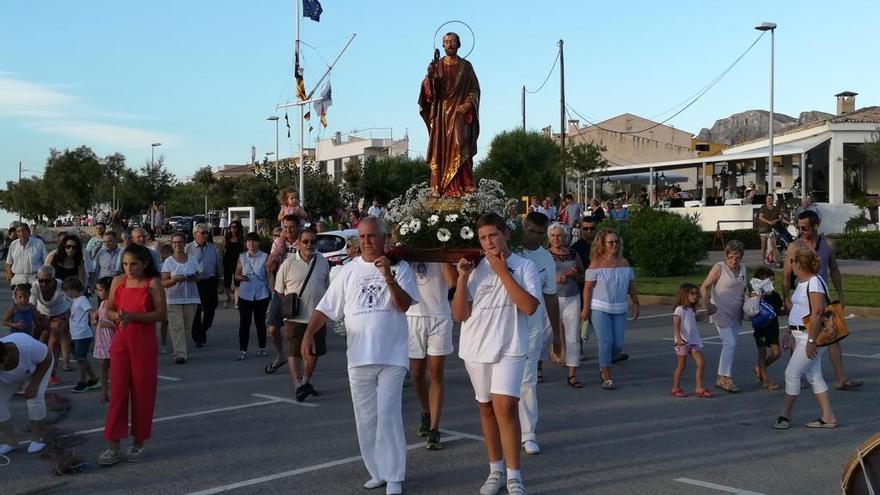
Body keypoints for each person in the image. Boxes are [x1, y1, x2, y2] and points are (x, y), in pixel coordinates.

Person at [301, 217, 417, 495]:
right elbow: (326, 308)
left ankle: (394, 476)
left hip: (392, 356)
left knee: (388, 415)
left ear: (384, 238)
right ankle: (377, 470)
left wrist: (387, 276)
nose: (366, 242)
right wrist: (308, 334)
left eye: (372, 236)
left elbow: (403, 305)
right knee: (366, 418)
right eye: (362, 237)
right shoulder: (348, 272)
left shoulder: (400, 268)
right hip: (359, 358)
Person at [452, 213, 539, 495]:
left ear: (506, 234)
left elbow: (529, 307)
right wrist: (462, 277)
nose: (488, 242)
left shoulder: (524, 266)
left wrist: (501, 270)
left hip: (510, 346)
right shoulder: (474, 268)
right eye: (483, 238)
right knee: (486, 407)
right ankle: (495, 471)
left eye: (493, 235)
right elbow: (459, 314)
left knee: (506, 408)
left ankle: (515, 476)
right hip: (475, 347)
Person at [98, 244, 167, 466]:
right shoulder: (118, 281)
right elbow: (108, 309)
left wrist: (134, 317)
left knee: (142, 393)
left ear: (145, 263)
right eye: (125, 264)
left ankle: (138, 441)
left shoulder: (153, 283)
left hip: (144, 343)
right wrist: (118, 315)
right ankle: (113, 445)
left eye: (133, 264)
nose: (128, 268)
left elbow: (161, 314)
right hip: (121, 341)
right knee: (117, 393)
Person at [782, 210, 861, 391]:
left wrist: (841, 294)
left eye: (805, 227)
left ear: (816, 226)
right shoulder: (795, 247)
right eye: (799, 227)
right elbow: (786, 275)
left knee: (833, 335)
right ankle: (797, 375)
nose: (801, 230)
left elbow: (834, 270)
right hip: (803, 298)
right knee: (799, 336)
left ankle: (841, 378)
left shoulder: (828, 244)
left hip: (822, 298)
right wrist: (786, 298)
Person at [774, 249, 837, 430]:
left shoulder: (815, 282)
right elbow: (798, 310)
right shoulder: (802, 282)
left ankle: (784, 415)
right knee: (814, 375)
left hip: (811, 336)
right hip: (800, 334)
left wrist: (810, 342)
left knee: (791, 374)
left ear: (799, 264)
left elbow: (817, 312)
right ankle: (828, 415)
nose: (791, 265)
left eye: (792, 262)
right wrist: (788, 331)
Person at [517, 212, 561, 456]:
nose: (535, 236)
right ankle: (505, 427)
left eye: (540, 233)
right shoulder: (511, 250)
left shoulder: (546, 258)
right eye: (531, 230)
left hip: (533, 327)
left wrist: (557, 334)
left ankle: (528, 434)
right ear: (524, 227)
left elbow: (551, 296)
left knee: (528, 381)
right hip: (504, 326)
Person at [419, 32, 480, 197]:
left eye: (453, 41)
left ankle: (466, 183)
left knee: (461, 144)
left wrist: (469, 103)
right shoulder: (437, 66)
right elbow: (429, 94)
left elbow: (474, 88)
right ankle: (438, 185)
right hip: (441, 113)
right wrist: (429, 77)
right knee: (439, 147)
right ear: (443, 45)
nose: (449, 44)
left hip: (459, 111)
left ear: (459, 44)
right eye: (446, 42)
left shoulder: (466, 66)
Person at [580, 229, 639, 390]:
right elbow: (587, 289)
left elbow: (631, 285)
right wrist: (585, 309)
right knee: (605, 342)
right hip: (600, 308)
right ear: (603, 244)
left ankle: (606, 359)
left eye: (616, 242)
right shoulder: (596, 263)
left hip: (620, 308)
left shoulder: (624, 263)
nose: (614, 245)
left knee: (618, 344)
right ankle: (606, 374)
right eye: (610, 242)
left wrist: (635, 302)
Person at [406, 260, 457, 450]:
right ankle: (425, 412)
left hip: (439, 315)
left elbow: (453, 283)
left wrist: (444, 260)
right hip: (413, 315)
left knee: (435, 373)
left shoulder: (441, 251)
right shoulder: (407, 247)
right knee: (417, 373)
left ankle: (435, 428)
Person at [276, 228, 330, 401]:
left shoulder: (322, 261)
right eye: (305, 241)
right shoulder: (288, 263)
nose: (309, 245)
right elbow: (279, 290)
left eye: (312, 241)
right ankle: (297, 385)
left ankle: (306, 381)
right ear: (298, 243)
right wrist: (289, 307)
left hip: (317, 316)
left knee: (313, 352)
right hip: (295, 317)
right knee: (295, 352)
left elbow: (327, 286)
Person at [700, 240, 747, 393]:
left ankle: (722, 377)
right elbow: (704, 286)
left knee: (731, 345)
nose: (734, 260)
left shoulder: (743, 269)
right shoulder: (719, 268)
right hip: (720, 311)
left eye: (737, 257)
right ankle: (725, 378)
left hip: (736, 312)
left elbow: (745, 287)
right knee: (730, 343)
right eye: (731, 257)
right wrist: (707, 303)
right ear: (726, 256)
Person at [0, 332, 53, 456]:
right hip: (9, 378)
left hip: (36, 368)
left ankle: (37, 439)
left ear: (9, 353)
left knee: (34, 398)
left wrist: (34, 384)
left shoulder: (26, 346)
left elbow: (47, 357)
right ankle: (9, 442)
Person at [549, 223, 584, 388]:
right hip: (551, 299)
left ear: (565, 237)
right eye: (553, 235)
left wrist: (576, 275)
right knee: (544, 333)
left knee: (573, 336)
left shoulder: (573, 253)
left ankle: (572, 374)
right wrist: (553, 278)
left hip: (572, 297)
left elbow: (583, 276)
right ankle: (538, 369)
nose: (556, 239)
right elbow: (536, 277)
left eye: (559, 235)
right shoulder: (545, 255)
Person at [264, 215, 300, 373]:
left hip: (298, 291)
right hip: (280, 290)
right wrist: (277, 253)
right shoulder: (278, 242)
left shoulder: (304, 241)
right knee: (272, 329)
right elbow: (269, 266)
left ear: (297, 227)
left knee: (293, 331)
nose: (288, 230)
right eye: (285, 227)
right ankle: (281, 355)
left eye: (291, 227)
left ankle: (297, 364)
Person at [161, 232, 200, 364]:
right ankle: (180, 354)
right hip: (173, 298)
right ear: (172, 244)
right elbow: (163, 282)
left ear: (184, 244)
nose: (177, 245)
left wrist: (193, 277)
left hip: (191, 297)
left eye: (180, 242)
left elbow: (198, 275)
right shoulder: (168, 261)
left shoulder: (192, 259)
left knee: (186, 327)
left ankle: (181, 348)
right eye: (175, 242)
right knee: (176, 327)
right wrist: (175, 279)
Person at [31, 265, 71, 385]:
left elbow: (72, 299)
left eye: (47, 281)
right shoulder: (35, 286)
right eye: (41, 280)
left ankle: (52, 374)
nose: (43, 283)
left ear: (53, 278)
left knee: (53, 345)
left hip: (59, 315)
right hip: (42, 315)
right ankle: (36, 372)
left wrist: (72, 314)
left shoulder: (61, 286)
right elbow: (32, 303)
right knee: (38, 344)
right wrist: (35, 318)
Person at [670, 283, 712, 398]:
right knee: (681, 365)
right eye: (692, 294)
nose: (695, 296)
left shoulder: (691, 310)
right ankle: (675, 387)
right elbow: (676, 325)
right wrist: (679, 339)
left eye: (696, 294)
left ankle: (699, 387)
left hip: (693, 341)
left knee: (701, 363)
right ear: (684, 295)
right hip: (683, 342)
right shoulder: (680, 309)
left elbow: (696, 319)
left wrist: (709, 312)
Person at [60, 277, 99, 393]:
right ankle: (93, 379)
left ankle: (82, 382)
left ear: (74, 289)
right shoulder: (75, 301)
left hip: (82, 334)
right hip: (76, 334)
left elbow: (90, 311)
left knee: (81, 359)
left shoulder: (82, 299)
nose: (66, 294)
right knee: (81, 359)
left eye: (67, 291)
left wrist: (94, 319)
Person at [234, 232, 270, 360]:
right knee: (245, 323)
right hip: (245, 294)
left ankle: (262, 347)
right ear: (246, 243)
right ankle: (242, 350)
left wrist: (272, 291)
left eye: (254, 241)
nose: (251, 244)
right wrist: (240, 277)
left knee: (260, 322)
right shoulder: (242, 257)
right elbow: (236, 274)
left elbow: (269, 275)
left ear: (258, 243)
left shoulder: (265, 256)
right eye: (248, 241)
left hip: (261, 294)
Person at [186, 224, 221, 348]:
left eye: (207, 233)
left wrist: (220, 280)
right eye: (203, 233)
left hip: (210, 281)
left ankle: (202, 330)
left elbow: (218, 265)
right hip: (195, 282)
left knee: (211, 309)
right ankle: (198, 338)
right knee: (196, 311)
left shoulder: (213, 248)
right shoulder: (188, 248)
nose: (205, 235)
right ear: (195, 234)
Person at [749, 267, 783, 391]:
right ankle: (766, 381)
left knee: (776, 353)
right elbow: (750, 310)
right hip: (761, 328)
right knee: (762, 352)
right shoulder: (756, 296)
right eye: (770, 281)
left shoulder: (775, 295)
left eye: (773, 280)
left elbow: (779, 310)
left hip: (773, 327)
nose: (773, 283)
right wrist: (755, 297)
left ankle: (759, 368)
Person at [93, 277, 115, 403]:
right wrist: (95, 319)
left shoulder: (114, 304)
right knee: (103, 368)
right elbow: (99, 315)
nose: (98, 292)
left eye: (100, 290)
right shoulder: (102, 303)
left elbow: (119, 324)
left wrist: (108, 325)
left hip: (111, 338)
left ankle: (114, 392)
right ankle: (104, 393)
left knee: (114, 369)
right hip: (102, 340)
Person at [757, 195, 788, 265]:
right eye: (768, 199)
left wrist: (775, 220)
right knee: (763, 246)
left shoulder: (776, 209)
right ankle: (763, 261)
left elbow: (780, 218)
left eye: (770, 199)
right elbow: (760, 217)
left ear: (773, 200)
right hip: (763, 228)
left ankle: (776, 261)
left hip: (772, 229)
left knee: (774, 246)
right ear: (766, 199)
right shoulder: (763, 207)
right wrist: (768, 221)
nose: (769, 200)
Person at [221, 220, 245, 309]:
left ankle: (237, 301)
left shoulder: (242, 238)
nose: (232, 229)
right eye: (231, 227)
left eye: (234, 227)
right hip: (227, 261)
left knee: (237, 282)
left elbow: (244, 250)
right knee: (226, 282)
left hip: (238, 262)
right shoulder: (226, 238)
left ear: (238, 228)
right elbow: (222, 250)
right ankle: (227, 298)